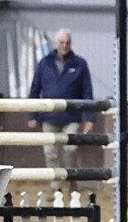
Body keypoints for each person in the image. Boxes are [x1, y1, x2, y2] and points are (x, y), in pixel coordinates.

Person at [27, 29, 96, 186]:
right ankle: (56, 187)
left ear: (70, 44)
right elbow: (35, 89)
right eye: (61, 42)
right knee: (50, 153)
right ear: (55, 43)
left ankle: (70, 181)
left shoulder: (80, 64)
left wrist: (90, 118)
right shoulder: (44, 63)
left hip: (71, 117)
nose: (64, 46)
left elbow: (87, 92)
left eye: (67, 43)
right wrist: (32, 115)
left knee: (70, 150)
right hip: (49, 117)